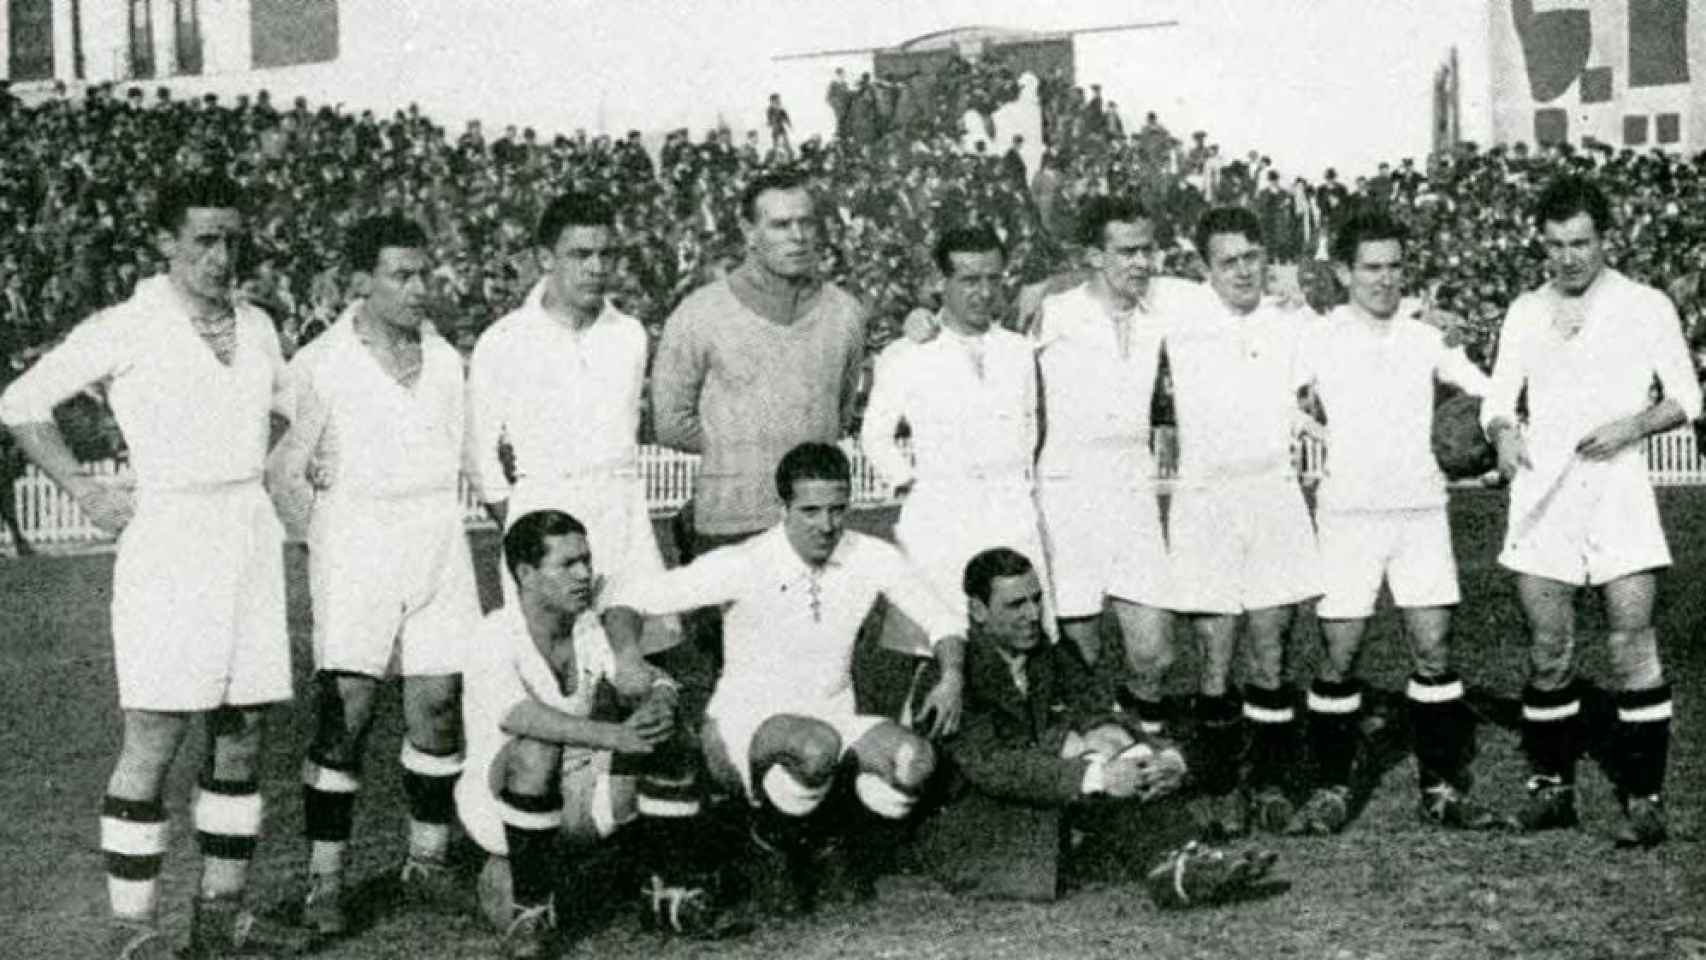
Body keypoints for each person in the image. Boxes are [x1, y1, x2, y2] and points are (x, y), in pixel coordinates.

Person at [0, 173, 307, 958]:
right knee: (156, 733)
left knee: (242, 734)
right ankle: (133, 928)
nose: (222, 255)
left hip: (246, 531)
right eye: (204, 239)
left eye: (234, 239)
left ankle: (220, 915)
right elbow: (19, 402)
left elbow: (290, 409)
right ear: (166, 243)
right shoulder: (126, 325)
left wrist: (283, 471)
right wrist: (82, 491)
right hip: (169, 536)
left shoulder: (260, 325)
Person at [603, 442, 967, 914]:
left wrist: (952, 675)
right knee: (815, 747)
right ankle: (769, 849)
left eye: (838, 509)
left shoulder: (870, 555)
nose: (826, 524)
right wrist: (629, 658)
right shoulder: (747, 562)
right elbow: (627, 600)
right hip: (742, 726)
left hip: (834, 718)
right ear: (784, 508)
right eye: (810, 510)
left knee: (913, 760)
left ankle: (831, 848)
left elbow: (944, 620)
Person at [268, 215, 483, 938]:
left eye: (426, 273)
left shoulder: (448, 359)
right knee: (347, 710)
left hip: (437, 537)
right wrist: (317, 541)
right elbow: (281, 470)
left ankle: (427, 863)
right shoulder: (318, 364)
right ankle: (323, 882)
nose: (421, 288)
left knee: (439, 704)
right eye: (402, 275)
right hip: (357, 537)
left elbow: (473, 459)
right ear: (360, 283)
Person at [1481, 175, 1701, 847]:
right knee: (1549, 649)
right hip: (1544, 494)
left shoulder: (1646, 304)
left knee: (1632, 642)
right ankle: (1552, 792)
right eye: (1554, 245)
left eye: (1580, 243)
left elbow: (1688, 397)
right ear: (1540, 245)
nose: (1568, 258)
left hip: (1618, 489)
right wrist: (1504, 434)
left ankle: (1645, 796)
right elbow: (1497, 399)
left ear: (1605, 239)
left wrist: (1631, 427)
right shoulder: (1523, 310)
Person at [1288, 209, 1504, 835]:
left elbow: (1485, 389)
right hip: (1348, 514)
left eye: (1394, 267)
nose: (1385, 280)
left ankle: (1439, 787)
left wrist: (1500, 429)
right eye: (1371, 267)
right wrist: (1312, 425)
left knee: (1433, 650)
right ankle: (1331, 789)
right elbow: (1278, 396)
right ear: (1344, 272)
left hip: (1420, 512)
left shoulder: (1424, 337)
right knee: (1340, 655)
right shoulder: (1319, 336)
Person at [917, 547, 1278, 905]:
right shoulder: (952, 678)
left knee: (1113, 741)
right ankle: (1183, 865)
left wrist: (1163, 757)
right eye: (1016, 605)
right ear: (978, 611)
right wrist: (1096, 775)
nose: (1032, 614)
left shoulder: (1047, 653)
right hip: (984, 823)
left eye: (1037, 600)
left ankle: (1183, 865)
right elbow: (994, 767)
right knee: (1101, 777)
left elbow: (1096, 711)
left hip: (1049, 801)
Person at [1121, 206, 1320, 838]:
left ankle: (1268, 783)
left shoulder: (1293, 321)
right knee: (1214, 654)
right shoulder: (1176, 305)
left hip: (1274, 492)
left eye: (1252, 258)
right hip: (1206, 497)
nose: (1242, 271)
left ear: (1267, 258)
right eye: (1228, 261)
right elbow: (1093, 283)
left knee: (1272, 648)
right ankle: (1218, 786)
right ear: (1204, 267)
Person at [454, 509, 732, 959]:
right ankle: (531, 909)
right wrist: (613, 735)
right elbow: (521, 717)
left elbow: (647, 676)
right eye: (568, 564)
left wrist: (659, 697)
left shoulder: (586, 625)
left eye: (586, 560)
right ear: (525, 573)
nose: (585, 574)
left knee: (667, 731)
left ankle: (668, 891)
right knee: (538, 748)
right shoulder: (492, 635)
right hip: (499, 804)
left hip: (579, 791)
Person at [650, 170, 865, 685]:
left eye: (807, 223)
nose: (797, 236)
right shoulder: (700, 314)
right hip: (730, 527)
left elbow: (838, 410)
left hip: (813, 528)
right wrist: (747, 447)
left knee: (820, 680)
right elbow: (671, 423)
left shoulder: (846, 313)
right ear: (749, 233)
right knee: (740, 689)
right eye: (780, 224)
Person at [468, 192, 677, 651]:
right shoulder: (502, 341)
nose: (596, 267)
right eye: (580, 255)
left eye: (606, 254)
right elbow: (480, 458)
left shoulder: (630, 335)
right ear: (546, 258)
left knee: (638, 661)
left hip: (623, 513)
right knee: (554, 664)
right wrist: (525, 527)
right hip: (544, 511)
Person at [1033, 196, 1203, 728]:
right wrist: (925, 319)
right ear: (1093, 256)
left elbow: (1243, 301)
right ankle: (1091, 758)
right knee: (1077, 651)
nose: (1140, 263)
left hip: (1133, 485)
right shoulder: (1051, 311)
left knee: (1155, 651)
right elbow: (975, 325)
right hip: (1065, 490)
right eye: (1126, 251)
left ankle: (1141, 736)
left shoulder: (1168, 306)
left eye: (1147, 249)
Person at [861, 225, 1052, 651]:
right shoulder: (906, 353)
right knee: (938, 637)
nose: (984, 292)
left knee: (1019, 634)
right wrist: (913, 483)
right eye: (969, 280)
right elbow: (875, 436)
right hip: (940, 515)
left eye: (993, 279)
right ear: (940, 282)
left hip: (1011, 510)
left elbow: (1030, 431)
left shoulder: (1019, 350)